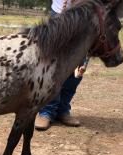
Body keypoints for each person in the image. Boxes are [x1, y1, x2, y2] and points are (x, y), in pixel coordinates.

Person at [34, 0, 89, 131]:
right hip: (59, 13)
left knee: (77, 66)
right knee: (53, 67)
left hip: (85, 15)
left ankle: (62, 110)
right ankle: (47, 111)